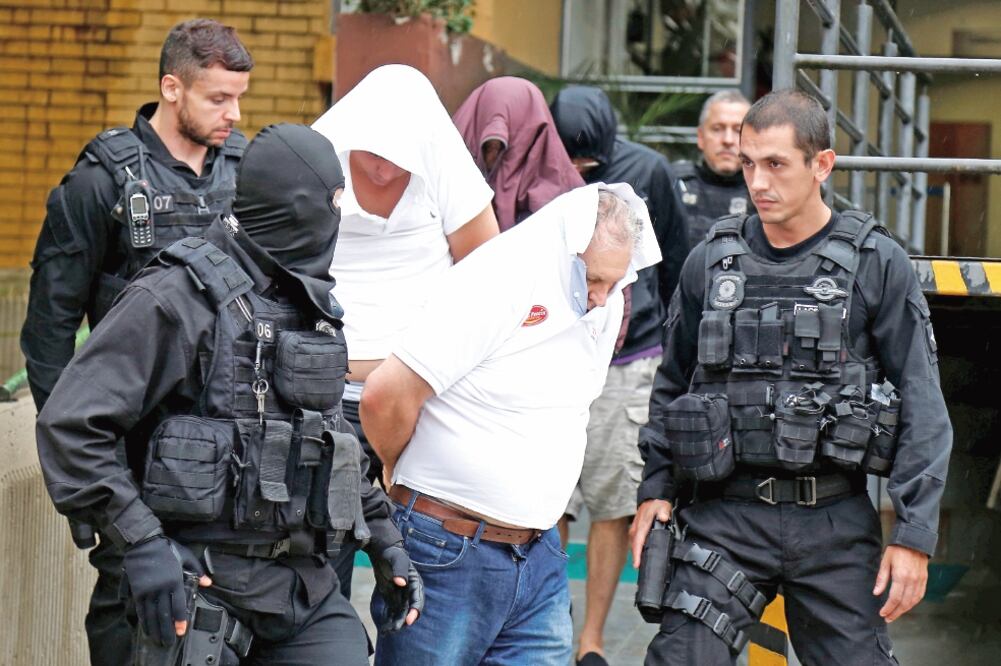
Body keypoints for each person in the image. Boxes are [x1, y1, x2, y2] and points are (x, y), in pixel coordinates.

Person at [35, 124, 424, 665]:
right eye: (332, 202)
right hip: (190, 582)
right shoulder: (176, 296)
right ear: (294, 207)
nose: (338, 218)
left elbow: (333, 443)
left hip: (296, 590)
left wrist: (384, 541)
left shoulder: (309, 306)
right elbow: (72, 424)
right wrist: (142, 543)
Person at [631, 89, 952, 665]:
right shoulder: (711, 261)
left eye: (776, 164)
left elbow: (923, 402)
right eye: (750, 163)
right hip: (724, 517)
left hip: (833, 520)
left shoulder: (877, 263)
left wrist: (913, 533)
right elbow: (674, 381)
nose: (757, 182)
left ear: (821, 165)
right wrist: (655, 489)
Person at [20, 19, 252, 665]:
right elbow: (47, 333)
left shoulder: (246, 175)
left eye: (239, 97)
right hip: (138, 454)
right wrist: (78, 464)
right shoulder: (102, 182)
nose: (234, 113)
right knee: (136, 625)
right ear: (171, 88)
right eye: (217, 98)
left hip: (230, 457)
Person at [361, 185, 662, 665]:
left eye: (617, 281)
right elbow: (384, 396)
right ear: (566, 254)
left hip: (538, 555)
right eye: (597, 279)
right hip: (444, 547)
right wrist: (397, 468)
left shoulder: (607, 301)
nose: (605, 298)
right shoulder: (498, 277)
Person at [310, 64, 499, 596]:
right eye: (372, 154)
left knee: (418, 549)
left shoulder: (446, 165)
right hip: (324, 392)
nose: (382, 169)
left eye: (399, 160)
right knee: (325, 548)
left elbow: (486, 277)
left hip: (416, 397)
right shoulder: (321, 152)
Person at [548, 84, 688, 666]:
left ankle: (592, 639)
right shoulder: (537, 165)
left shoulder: (649, 171)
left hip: (628, 361)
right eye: (570, 160)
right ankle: (551, 621)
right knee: (549, 502)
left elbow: (677, 260)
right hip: (552, 356)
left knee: (611, 505)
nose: (579, 170)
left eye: (591, 164)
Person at [453, 76, 584, 231]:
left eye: (503, 149)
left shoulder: (569, 203)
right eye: (487, 147)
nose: (492, 157)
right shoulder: (448, 178)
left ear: (535, 136)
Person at [673, 90, 754, 249]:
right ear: (701, 137)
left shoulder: (765, 191)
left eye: (738, 130)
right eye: (717, 129)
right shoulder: (674, 185)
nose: (728, 140)